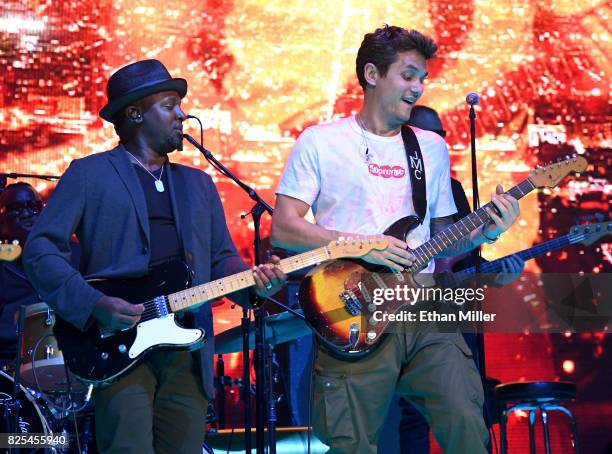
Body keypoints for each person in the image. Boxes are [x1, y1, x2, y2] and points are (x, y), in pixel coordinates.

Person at [271, 26, 520, 453]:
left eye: (422, 78)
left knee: (465, 419)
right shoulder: (320, 141)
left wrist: (489, 230)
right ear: (372, 73)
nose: (418, 88)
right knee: (353, 442)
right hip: (353, 309)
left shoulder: (431, 148)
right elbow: (285, 228)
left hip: (422, 307)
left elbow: (444, 238)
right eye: (408, 75)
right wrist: (360, 245)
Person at [23, 59, 286, 454]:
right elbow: (41, 251)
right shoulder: (89, 174)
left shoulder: (198, 184)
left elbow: (220, 260)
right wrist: (94, 303)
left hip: (188, 348)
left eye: (180, 105)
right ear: (135, 114)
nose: (182, 114)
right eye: (169, 105)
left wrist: (254, 283)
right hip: (119, 347)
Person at [397, 105, 525, 453]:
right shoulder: (389, 183)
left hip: (448, 315)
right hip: (399, 313)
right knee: (407, 418)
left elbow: (464, 258)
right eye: (429, 134)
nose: (439, 142)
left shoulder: (451, 188)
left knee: (463, 408)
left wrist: (493, 272)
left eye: (441, 135)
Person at [0, 183, 45, 367]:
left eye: (33, 207)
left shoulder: (72, 254)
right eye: (16, 209)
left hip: (64, 359)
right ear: (2, 221)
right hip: (7, 364)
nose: (26, 214)